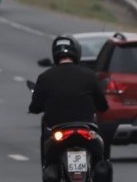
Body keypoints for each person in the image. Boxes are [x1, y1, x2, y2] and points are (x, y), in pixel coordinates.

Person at [28, 35, 109, 165]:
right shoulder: (89, 75)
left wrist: (36, 108)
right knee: (101, 156)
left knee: (49, 159)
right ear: (77, 53)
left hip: (58, 131)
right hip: (85, 129)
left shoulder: (45, 77)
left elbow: (35, 107)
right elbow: (103, 106)